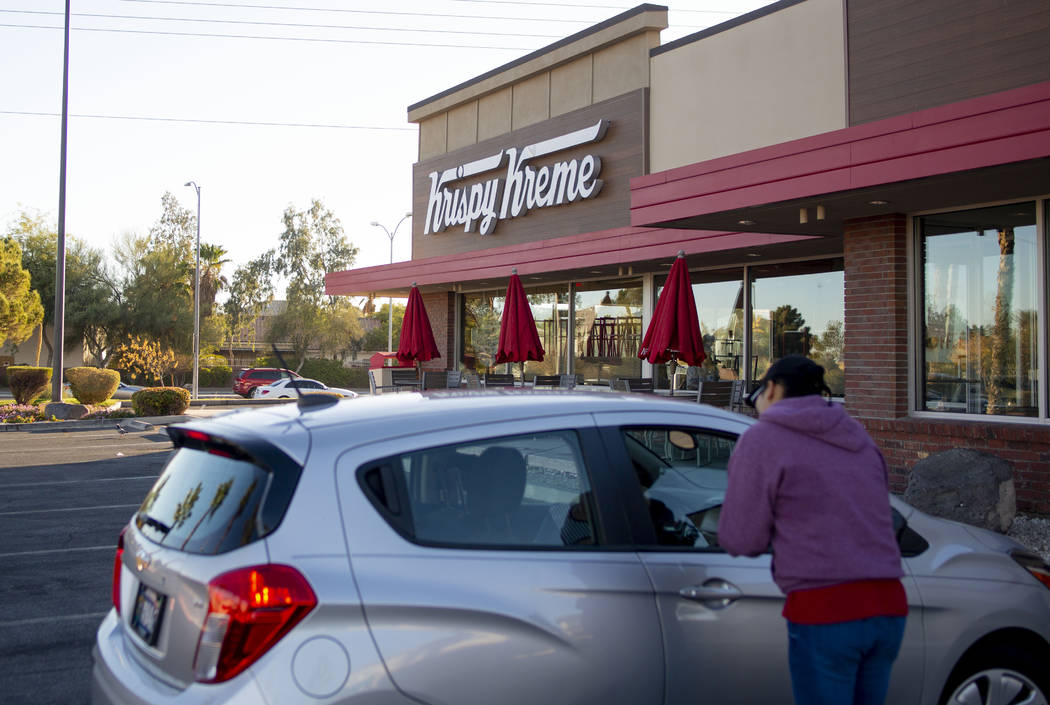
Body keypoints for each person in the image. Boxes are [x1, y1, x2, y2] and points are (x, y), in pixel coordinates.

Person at [718, 355, 907, 705]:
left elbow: (742, 538)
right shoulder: (858, 436)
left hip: (825, 608)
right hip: (889, 605)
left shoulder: (763, 439)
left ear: (771, 389)